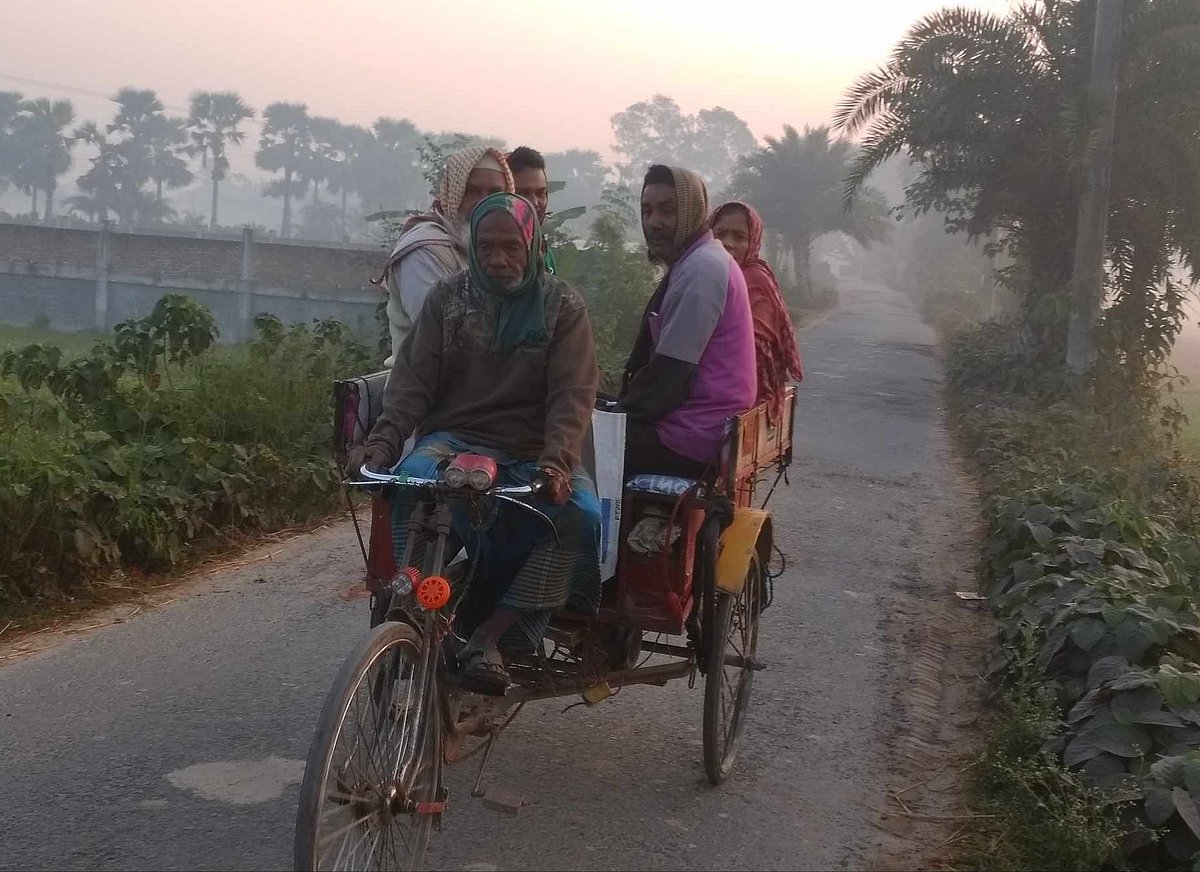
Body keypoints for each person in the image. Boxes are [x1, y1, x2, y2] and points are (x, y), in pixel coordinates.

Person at [349, 193, 601, 692]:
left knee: (581, 515)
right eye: (486, 247)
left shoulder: (562, 307)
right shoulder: (448, 300)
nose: (498, 259)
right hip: (455, 440)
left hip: (534, 450)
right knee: (411, 481)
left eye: (511, 247)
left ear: (532, 247)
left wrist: (556, 463)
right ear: (472, 244)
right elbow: (411, 384)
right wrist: (382, 443)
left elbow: (571, 399)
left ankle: (492, 633)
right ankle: (412, 598)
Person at [618, 165, 757, 479]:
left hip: (691, 436)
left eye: (667, 211)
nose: (654, 222)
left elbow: (669, 376)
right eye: (647, 210)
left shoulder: (702, 269)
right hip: (696, 423)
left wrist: (616, 414)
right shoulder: (695, 261)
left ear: (693, 211)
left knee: (572, 445)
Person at [379, 146, 514, 368]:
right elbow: (448, 338)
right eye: (473, 191)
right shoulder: (424, 250)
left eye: (494, 193)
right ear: (454, 194)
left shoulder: (498, 253)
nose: (483, 202)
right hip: (423, 394)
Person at [710, 200, 804, 422]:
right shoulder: (709, 276)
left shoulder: (754, 279)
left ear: (753, 242)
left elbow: (754, 348)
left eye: (739, 237)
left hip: (743, 396)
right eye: (720, 233)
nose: (727, 243)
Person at [506, 146, 556, 273]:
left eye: (541, 193)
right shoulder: (494, 255)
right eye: (522, 194)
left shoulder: (544, 251)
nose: (534, 203)